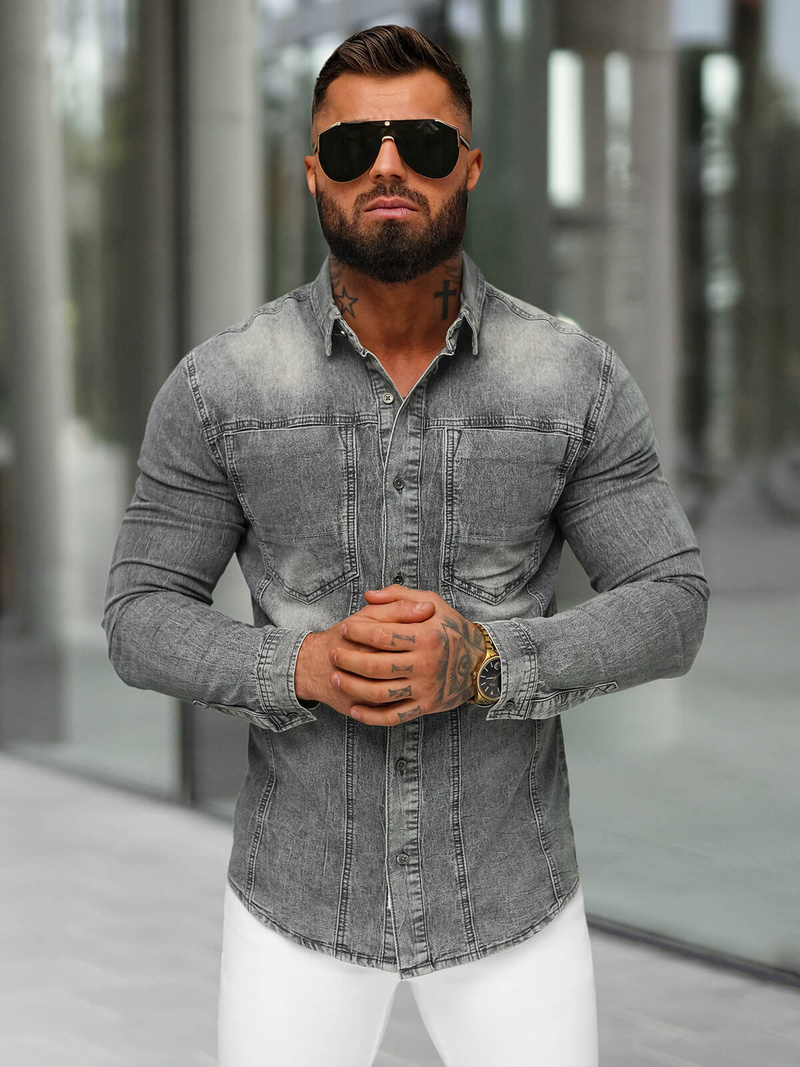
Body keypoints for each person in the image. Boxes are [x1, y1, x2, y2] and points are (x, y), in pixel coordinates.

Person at [102, 24, 709, 1067]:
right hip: (298, 902)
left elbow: (672, 598)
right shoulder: (220, 386)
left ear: (467, 165)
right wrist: (297, 664)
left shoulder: (573, 379)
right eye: (353, 147)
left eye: (421, 144)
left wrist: (486, 660)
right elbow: (137, 613)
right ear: (314, 174)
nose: (386, 167)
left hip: (510, 903)